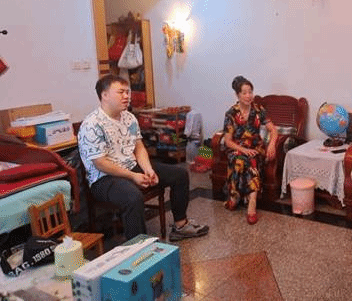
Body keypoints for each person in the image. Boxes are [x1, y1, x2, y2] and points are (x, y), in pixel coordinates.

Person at [78, 74, 209, 241]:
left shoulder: (129, 117)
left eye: (127, 92)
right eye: (121, 92)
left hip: (130, 166)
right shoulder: (92, 124)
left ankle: (180, 226)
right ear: (104, 95)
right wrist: (133, 176)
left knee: (180, 175)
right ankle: (139, 247)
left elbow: (138, 147)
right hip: (103, 178)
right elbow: (100, 163)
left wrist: (148, 169)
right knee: (133, 197)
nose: (126, 96)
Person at [222, 76, 278, 225]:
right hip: (237, 147)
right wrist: (243, 150)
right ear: (238, 95)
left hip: (255, 147)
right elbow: (228, 141)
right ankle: (235, 196)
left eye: (250, 92)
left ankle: (251, 204)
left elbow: (273, 130)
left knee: (251, 159)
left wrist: (271, 144)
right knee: (241, 159)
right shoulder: (231, 113)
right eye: (244, 93)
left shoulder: (259, 110)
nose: (248, 96)